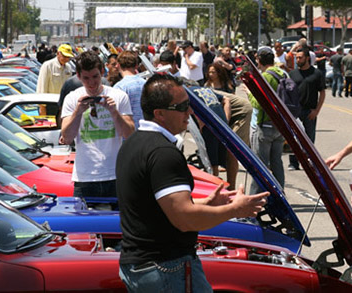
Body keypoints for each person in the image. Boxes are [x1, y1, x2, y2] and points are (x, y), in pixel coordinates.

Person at [116, 73, 269, 292]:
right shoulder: (162, 152)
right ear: (159, 113)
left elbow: (157, 208)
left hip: (144, 266)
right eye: (182, 107)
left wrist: (208, 203)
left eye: (189, 104)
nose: (189, 112)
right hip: (165, 269)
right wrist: (235, 209)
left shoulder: (134, 143)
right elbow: (184, 219)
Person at [60, 51, 135, 207]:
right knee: (83, 228)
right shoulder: (73, 98)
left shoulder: (119, 96)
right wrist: (78, 111)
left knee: (118, 226)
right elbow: (66, 137)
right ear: (79, 77)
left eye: (95, 77)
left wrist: (114, 112)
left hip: (114, 175)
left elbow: (129, 133)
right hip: (85, 177)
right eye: (86, 78)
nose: (92, 83)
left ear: (102, 72)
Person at [249, 49, 286, 193]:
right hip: (280, 125)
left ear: (259, 60)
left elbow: (258, 103)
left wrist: (249, 92)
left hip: (265, 125)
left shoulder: (265, 76)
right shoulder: (282, 73)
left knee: (260, 166)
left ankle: (255, 199)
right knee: (277, 163)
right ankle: (280, 194)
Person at [287, 47, 326, 171]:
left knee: (309, 139)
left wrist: (316, 111)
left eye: (300, 57)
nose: (297, 60)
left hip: (309, 111)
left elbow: (322, 93)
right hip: (294, 111)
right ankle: (293, 163)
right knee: (294, 138)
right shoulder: (292, 74)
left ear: (307, 58)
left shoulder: (317, 74)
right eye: (296, 58)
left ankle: (309, 162)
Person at [115, 50, 146, 129]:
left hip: (127, 135)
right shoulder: (146, 83)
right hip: (145, 132)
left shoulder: (119, 87)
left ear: (118, 65)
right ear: (136, 66)